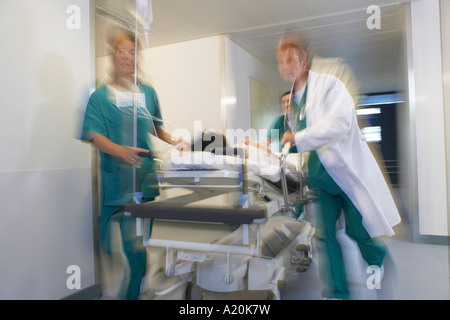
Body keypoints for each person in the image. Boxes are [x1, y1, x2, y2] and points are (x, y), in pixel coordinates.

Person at [278, 32, 401, 300]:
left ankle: (377, 257)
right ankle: (336, 293)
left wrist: (298, 138)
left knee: (359, 231)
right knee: (326, 239)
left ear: (303, 59)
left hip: (345, 177)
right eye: (280, 61)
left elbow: (340, 122)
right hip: (321, 180)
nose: (285, 66)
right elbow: (300, 142)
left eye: (290, 59)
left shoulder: (330, 85)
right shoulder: (293, 102)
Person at [80, 28, 190, 300]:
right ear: (113, 56)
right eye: (121, 51)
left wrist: (175, 140)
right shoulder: (100, 97)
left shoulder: (148, 93)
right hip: (114, 184)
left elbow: (157, 127)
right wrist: (121, 152)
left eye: (132, 52)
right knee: (109, 246)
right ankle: (130, 281)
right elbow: (93, 135)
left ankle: (132, 290)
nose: (127, 57)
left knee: (136, 248)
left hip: (144, 182)